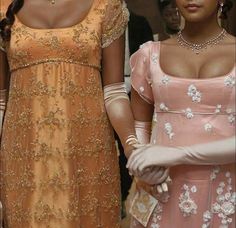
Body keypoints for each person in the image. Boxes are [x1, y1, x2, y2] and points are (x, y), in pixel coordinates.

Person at [0, 0, 139, 227]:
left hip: (88, 152)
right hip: (24, 157)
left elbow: (114, 92)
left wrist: (131, 144)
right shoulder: (3, 7)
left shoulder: (106, 5)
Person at [127, 0, 236, 227]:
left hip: (227, 191)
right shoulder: (149, 54)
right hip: (163, 187)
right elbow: (139, 127)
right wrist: (142, 165)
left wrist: (176, 154)